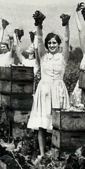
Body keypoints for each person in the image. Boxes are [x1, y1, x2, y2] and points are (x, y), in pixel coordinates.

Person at [26, 12, 71, 160]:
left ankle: (56, 153)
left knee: (57, 124)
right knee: (42, 124)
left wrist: (66, 25)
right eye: (50, 43)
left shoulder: (63, 58)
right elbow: (38, 40)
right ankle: (42, 154)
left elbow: (66, 39)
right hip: (44, 91)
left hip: (58, 91)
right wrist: (39, 25)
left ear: (58, 45)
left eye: (54, 43)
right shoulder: (43, 57)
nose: (52, 45)